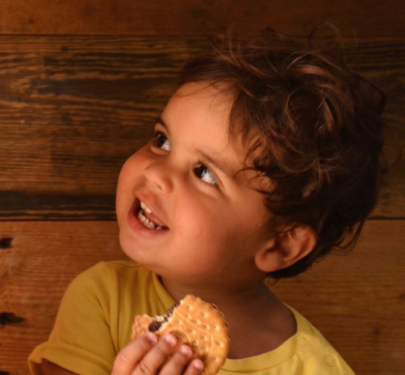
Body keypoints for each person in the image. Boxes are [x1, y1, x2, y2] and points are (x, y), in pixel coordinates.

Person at [29, 32, 385, 375]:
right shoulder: (103, 300)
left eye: (205, 173)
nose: (156, 173)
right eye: (162, 140)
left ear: (281, 243)